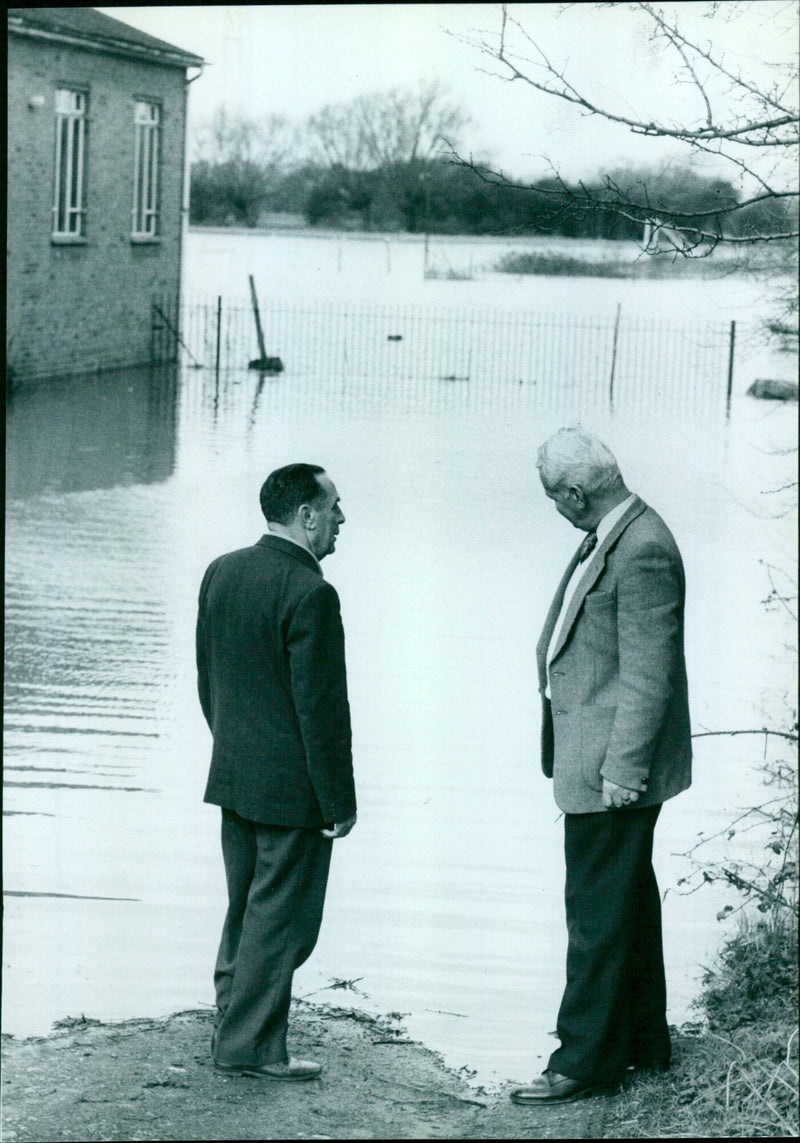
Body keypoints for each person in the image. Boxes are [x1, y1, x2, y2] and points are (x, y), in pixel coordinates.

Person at [510, 427, 692, 1106]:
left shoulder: (641, 549)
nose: (555, 507)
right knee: (626, 905)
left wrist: (623, 771)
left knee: (595, 912)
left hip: (612, 769)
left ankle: (584, 1059)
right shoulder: (619, 533)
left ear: (576, 491)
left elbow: (649, 676)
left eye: (554, 496)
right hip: (602, 759)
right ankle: (644, 1040)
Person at [196, 463, 357, 1082]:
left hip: (233, 774)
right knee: (283, 920)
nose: (343, 519)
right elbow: (321, 709)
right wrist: (339, 801)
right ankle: (251, 1048)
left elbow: (208, 679)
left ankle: (232, 1021)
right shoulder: (311, 592)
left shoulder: (222, 570)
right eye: (335, 506)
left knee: (246, 907)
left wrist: (234, 749)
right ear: (306, 515)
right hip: (291, 790)